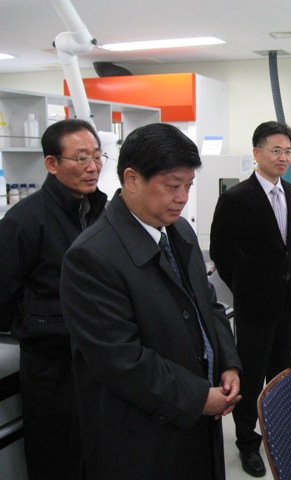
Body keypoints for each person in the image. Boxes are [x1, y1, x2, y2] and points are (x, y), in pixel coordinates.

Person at [59, 123, 242, 480]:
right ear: (132, 179)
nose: (182, 197)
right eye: (172, 186)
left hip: (194, 417)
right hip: (141, 435)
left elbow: (208, 306)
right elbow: (121, 361)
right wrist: (198, 398)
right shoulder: (92, 257)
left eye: (188, 185)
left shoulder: (178, 230)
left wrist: (228, 364)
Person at [0, 119, 107, 480]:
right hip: (51, 364)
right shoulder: (24, 221)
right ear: (52, 163)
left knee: (96, 453)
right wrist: (35, 323)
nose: (92, 167)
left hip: (97, 358)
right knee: (57, 457)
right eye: (81, 158)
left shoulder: (100, 211)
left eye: (97, 156)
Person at [209, 121, 291, 478]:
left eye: (288, 151)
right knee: (249, 378)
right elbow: (222, 252)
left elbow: (287, 250)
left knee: (283, 375)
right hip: (253, 306)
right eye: (276, 150)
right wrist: (245, 289)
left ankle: (279, 436)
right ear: (257, 152)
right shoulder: (236, 198)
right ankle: (247, 442)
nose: (283, 157)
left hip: (288, 304)